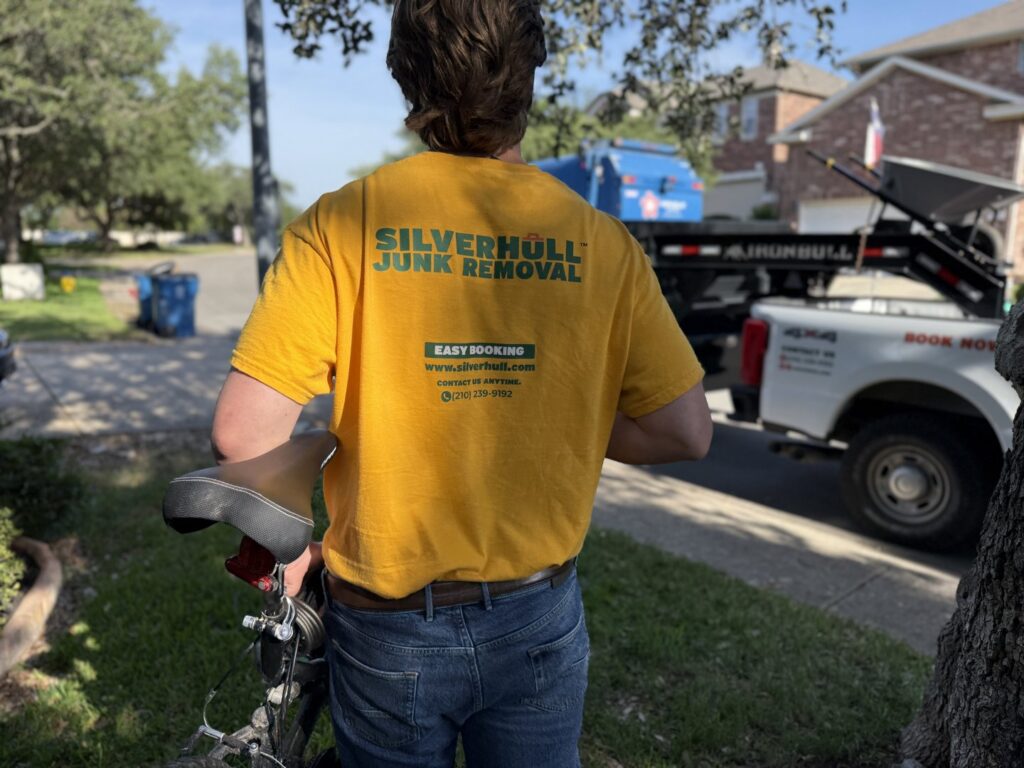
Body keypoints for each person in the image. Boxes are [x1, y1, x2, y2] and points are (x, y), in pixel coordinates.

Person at [210, 1, 712, 765]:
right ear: (529, 80)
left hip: (387, 623)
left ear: (406, 76)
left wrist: (294, 559)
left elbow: (243, 435)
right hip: (539, 614)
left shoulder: (343, 223)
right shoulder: (602, 243)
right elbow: (686, 431)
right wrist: (558, 409)